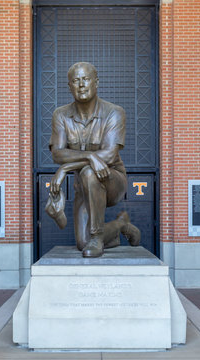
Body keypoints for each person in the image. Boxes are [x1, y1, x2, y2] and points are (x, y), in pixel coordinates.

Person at [48, 62, 140, 257]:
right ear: (69, 86)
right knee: (82, 243)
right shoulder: (61, 115)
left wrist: (65, 169)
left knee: (90, 172)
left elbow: (109, 155)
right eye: (75, 80)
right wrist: (89, 155)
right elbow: (57, 153)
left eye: (86, 79)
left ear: (96, 82)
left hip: (112, 179)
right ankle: (120, 225)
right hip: (83, 185)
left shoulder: (114, 112)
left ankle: (98, 236)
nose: (81, 85)